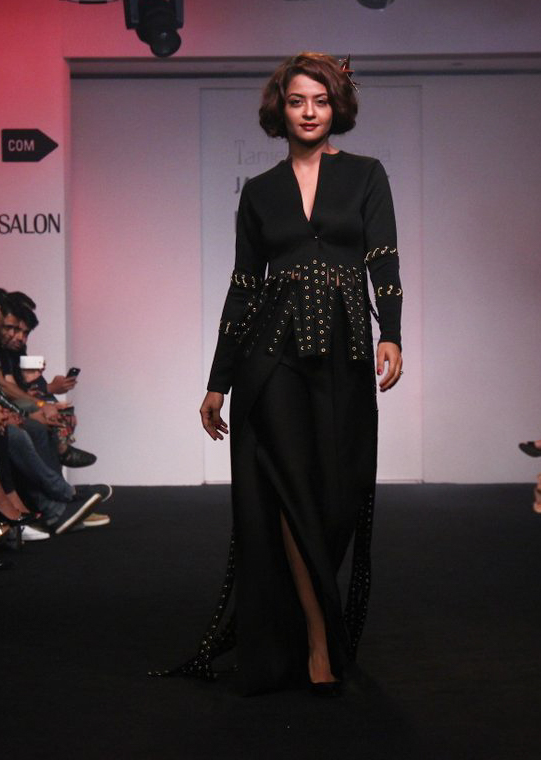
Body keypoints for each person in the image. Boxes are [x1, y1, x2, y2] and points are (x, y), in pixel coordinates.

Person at [178, 53, 403, 697]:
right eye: (298, 100)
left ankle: (304, 620)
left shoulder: (366, 174)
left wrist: (391, 333)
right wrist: (218, 381)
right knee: (288, 491)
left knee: (338, 494)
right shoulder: (259, 191)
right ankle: (316, 640)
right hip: (271, 357)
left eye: (321, 100)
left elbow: (383, 260)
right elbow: (244, 287)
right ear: (280, 108)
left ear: (337, 107)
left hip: (346, 353)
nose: (309, 112)